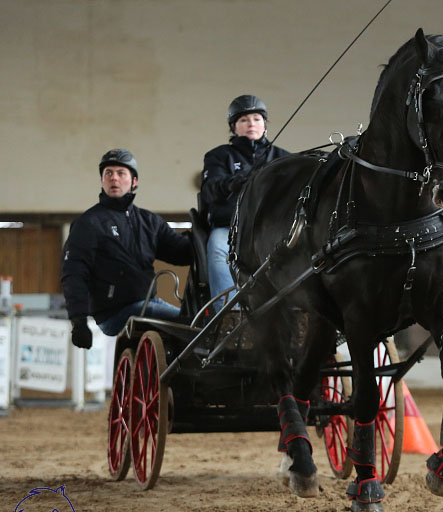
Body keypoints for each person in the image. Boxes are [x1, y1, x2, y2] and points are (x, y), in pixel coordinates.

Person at [62, 149, 193, 345]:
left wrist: (204, 237)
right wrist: (78, 321)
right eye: (108, 173)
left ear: (133, 181)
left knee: (195, 320)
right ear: (102, 181)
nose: (114, 178)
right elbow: (74, 272)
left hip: (148, 303)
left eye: (121, 173)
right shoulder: (89, 223)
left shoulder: (149, 221)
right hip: (115, 313)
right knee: (190, 325)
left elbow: (182, 253)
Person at [200, 94, 290, 311]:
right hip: (230, 228)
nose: (251, 124)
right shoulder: (219, 156)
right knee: (218, 249)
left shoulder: (283, 158)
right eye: (244, 120)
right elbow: (210, 189)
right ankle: (227, 312)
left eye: (257, 119)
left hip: (273, 229)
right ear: (233, 127)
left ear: (265, 125)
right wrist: (234, 183)